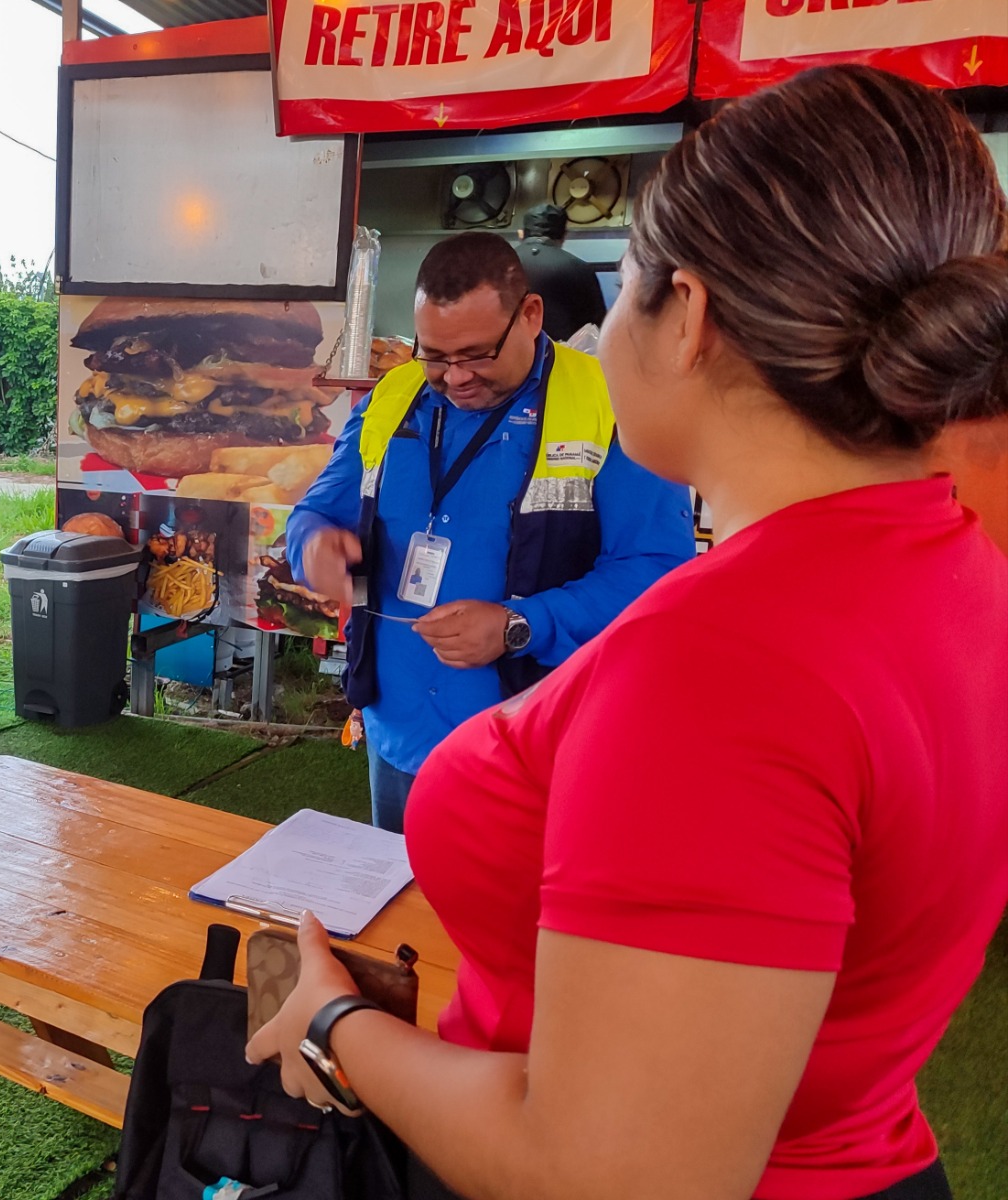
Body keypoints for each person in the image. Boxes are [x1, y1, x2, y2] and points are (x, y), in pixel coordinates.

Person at [249, 66, 1008, 1200]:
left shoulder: (721, 666)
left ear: (687, 315)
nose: (451, 374)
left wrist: (333, 1024)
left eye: (627, 289)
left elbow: (607, 1173)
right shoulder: (957, 565)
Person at [286, 232, 693, 831]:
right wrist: (313, 547)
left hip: (535, 741)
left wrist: (518, 625)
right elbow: (316, 512)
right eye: (435, 356)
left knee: (514, 921)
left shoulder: (611, 402)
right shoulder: (392, 398)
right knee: (399, 914)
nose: (455, 378)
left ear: (530, 316)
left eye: (477, 354)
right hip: (397, 729)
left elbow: (659, 571)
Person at [517, 203, 608, 341]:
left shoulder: (498, 265)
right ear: (564, 235)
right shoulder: (579, 269)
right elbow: (598, 326)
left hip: (502, 357)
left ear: (521, 234)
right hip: (559, 359)